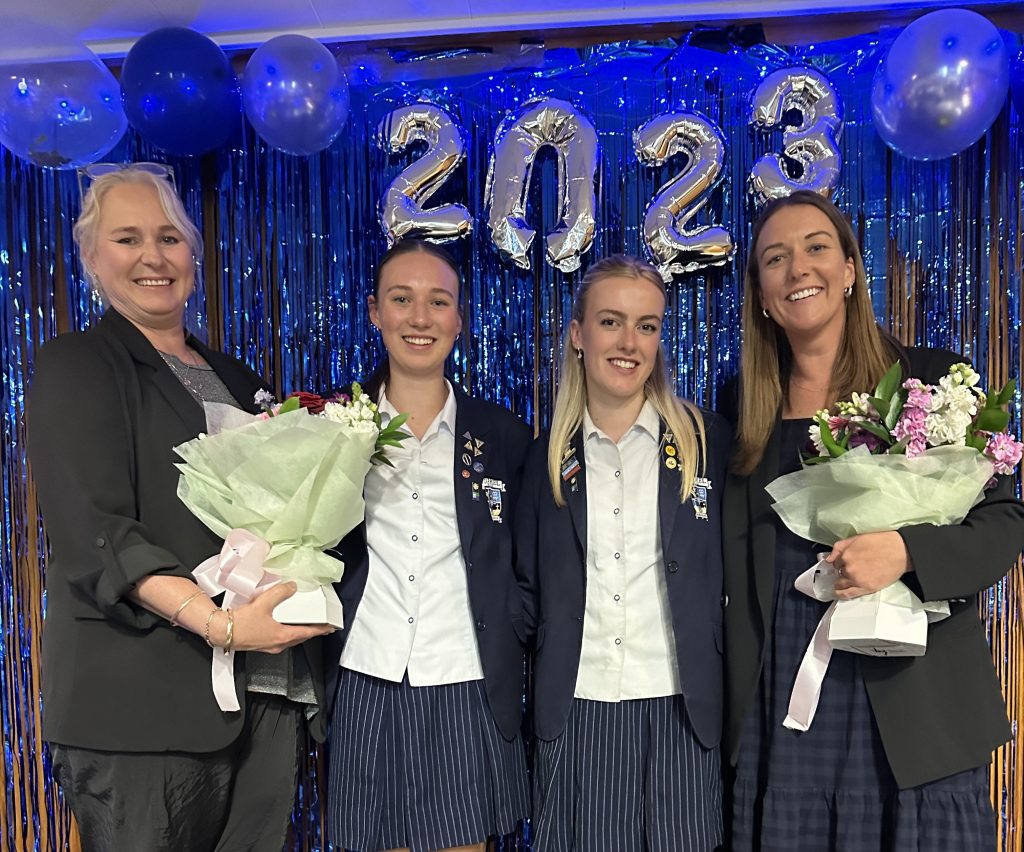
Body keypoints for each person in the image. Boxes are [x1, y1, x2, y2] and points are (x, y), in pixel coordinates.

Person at [26, 164, 332, 852]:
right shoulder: (78, 364)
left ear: (193, 254)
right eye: (127, 238)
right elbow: (97, 534)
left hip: (264, 697)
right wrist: (222, 626)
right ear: (91, 258)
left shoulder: (238, 380)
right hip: (142, 712)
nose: (153, 257)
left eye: (169, 238)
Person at [721, 190, 1024, 850]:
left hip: (914, 708)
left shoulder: (930, 382)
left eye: (816, 248)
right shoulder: (738, 408)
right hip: (786, 707)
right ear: (762, 295)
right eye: (775, 258)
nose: (798, 268)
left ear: (851, 270)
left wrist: (907, 553)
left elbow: (1004, 525)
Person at [319, 239, 531, 852]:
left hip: (465, 675)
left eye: (438, 302)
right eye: (401, 299)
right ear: (374, 311)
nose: (420, 317)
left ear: (459, 320)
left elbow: (529, 562)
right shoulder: (331, 424)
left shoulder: (504, 435)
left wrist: (511, 624)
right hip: (366, 673)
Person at [515, 255, 730, 851]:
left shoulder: (708, 443)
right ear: (578, 335)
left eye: (647, 325)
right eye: (611, 322)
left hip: (682, 710)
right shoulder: (543, 460)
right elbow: (525, 592)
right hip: (576, 709)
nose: (629, 343)